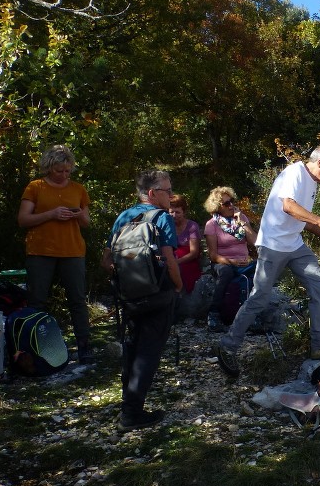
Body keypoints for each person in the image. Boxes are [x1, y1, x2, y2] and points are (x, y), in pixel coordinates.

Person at [216, 146, 320, 377]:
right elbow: (288, 206)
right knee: (259, 298)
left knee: (319, 285)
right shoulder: (295, 173)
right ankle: (227, 346)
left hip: (294, 244)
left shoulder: (313, 182)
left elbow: (301, 219)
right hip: (272, 245)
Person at [101, 170, 183, 431]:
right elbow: (170, 260)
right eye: (167, 191)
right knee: (149, 352)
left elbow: (106, 261)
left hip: (129, 297)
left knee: (133, 348)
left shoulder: (123, 217)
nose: (171, 196)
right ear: (152, 193)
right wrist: (178, 286)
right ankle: (132, 414)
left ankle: (128, 406)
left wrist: (125, 282)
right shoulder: (162, 218)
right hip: (158, 294)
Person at [17, 144, 93, 363]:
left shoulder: (78, 189)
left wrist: (78, 214)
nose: (64, 175)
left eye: (68, 171)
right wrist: (51, 214)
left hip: (73, 250)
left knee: (77, 300)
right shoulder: (35, 187)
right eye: (60, 170)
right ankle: (33, 349)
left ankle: (84, 346)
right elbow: (23, 220)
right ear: (49, 167)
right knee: (37, 301)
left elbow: (87, 222)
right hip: (41, 251)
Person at [203, 186, 258, 332]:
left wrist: (243, 223)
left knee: (261, 268)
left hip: (243, 261)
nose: (231, 205)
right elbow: (213, 255)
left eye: (231, 201)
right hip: (223, 262)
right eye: (226, 204)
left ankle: (252, 316)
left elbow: (255, 242)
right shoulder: (212, 225)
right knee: (226, 273)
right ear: (217, 207)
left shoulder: (241, 218)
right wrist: (231, 261)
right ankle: (213, 314)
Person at [168, 194, 204, 321]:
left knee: (179, 271)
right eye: (171, 212)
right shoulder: (167, 225)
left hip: (188, 260)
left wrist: (176, 261)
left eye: (177, 212)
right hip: (171, 257)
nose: (174, 215)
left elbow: (194, 252)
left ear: (184, 211)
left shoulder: (192, 226)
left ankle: (179, 309)